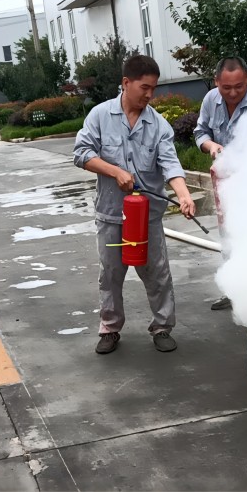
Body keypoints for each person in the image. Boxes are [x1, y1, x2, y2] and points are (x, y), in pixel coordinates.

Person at [74, 55, 196, 354]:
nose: (150, 95)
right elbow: (82, 153)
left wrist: (183, 195)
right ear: (126, 83)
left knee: (157, 274)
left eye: (154, 88)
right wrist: (115, 171)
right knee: (110, 275)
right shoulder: (100, 116)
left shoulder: (158, 125)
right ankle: (110, 328)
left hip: (147, 217)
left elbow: (170, 164)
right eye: (145, 87)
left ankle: (162, 327)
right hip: (111, 214)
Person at [194, 56, 247, 310]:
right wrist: (211, 146)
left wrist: (234, 161)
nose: (233, 93)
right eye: (226, 87)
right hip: (224, 182)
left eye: (239, 86)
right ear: (216, 81)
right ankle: (234, 290)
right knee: (228, 234)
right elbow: (200, 132)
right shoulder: (210, 100)